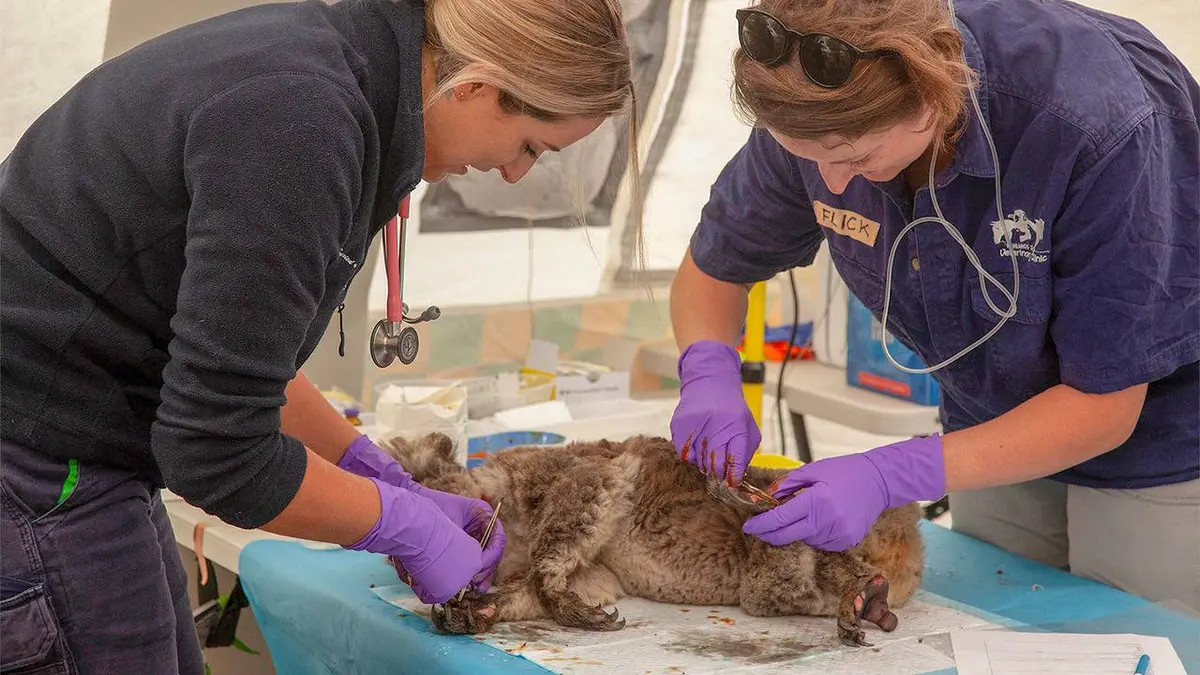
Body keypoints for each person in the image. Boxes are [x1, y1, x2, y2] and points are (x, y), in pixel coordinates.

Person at [0, 0, 640, 671]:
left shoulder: (335, 67)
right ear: (476, 83)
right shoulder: (303, 123)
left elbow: (239, 364)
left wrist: (371, 467)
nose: (515, 172)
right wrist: (394, 520)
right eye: (531, 146)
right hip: (37, 461)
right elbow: (217, 454)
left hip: (74, 445)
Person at [669, 0, 1199, 611]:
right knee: (1000, 619)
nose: (834, 184)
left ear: (931, 97)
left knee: (1127, 632)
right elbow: (714, 268)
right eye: (808, 157)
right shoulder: (813, 112)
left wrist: (891, 474)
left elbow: (1105, 406)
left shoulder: (1092, 124)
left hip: (1157, 433)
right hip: (988, 420)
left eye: (853, 156)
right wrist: (707, 367)